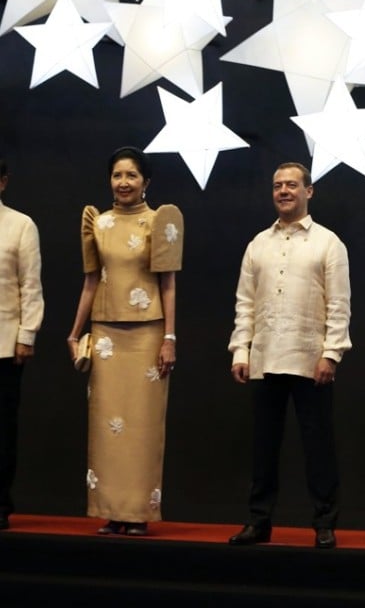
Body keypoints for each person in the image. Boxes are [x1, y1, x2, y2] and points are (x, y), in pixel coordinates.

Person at [227, 162, 351, 550]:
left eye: (292, 185)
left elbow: (339, 305)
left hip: (309, 359)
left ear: (308, 191)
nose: (284, 191)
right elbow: (244, 302)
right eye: (278, 185)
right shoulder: (257, 244)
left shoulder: (328, 243)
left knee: (318, 447)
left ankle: (324, 523)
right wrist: (240, 349)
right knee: (263, 447)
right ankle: (259, 521)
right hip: (264, 358)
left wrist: (331, 354)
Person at [67, 147, 183, 536]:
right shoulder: (96, 223)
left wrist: (169, 336)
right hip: (106, 337)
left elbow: (168, 284)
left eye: (131, 175)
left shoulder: (159, 221)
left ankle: (138, 514)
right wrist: (74, 332)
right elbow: (90, 282)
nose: (124, 183)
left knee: (143, 427)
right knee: (106, 426)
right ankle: (112, 511)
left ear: (146, 182)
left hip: (147, 333)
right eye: (117, 175)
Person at [0, 158, 44, 531]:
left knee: (2, 430)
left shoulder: (20, 225)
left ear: (3, 183)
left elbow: (31, 286)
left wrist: (26, 335)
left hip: (4, 344)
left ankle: (0, 503)